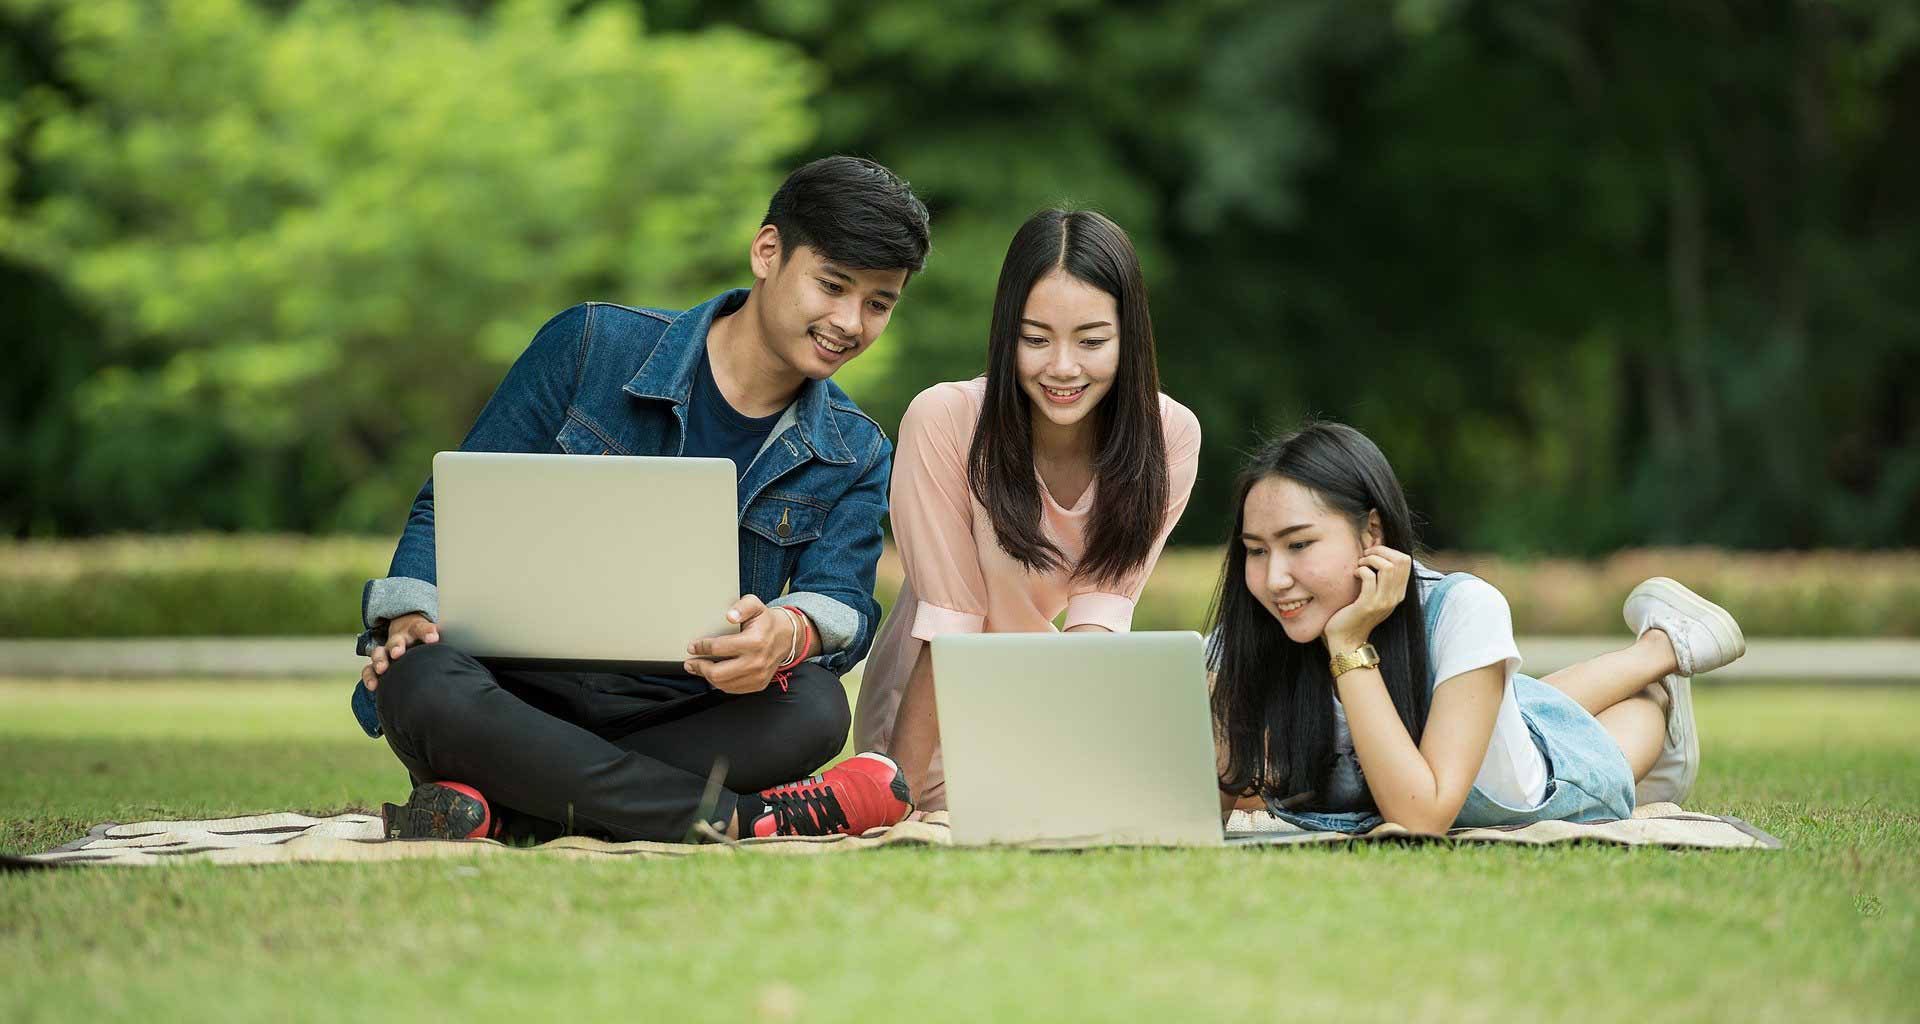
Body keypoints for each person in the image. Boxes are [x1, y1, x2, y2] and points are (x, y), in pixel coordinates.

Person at [352, 157, 927, 843]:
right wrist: (413, 611)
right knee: (418, 680)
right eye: (832, 286)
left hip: (685, 707)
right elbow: (448, 506)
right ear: (767, 251)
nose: (849, 321)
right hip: (508, 692)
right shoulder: (589, 344)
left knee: (814, 708)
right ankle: (742, 819)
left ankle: (508, 809)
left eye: (878, 303)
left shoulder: (856, 449)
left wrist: (788, 634)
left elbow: (841, 600)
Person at [1209, 421, 1747, 834]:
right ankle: (1659, 645)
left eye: (1299, 544)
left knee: (1624, 717)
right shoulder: (1256, 630)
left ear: (1371, 532)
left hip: (1540, 777)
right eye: (1256, 551)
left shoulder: (1464, 608)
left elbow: (1421, 818)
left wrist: (1348, 645)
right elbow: (1210, 800)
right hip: (1488, 714)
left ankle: (1659, 664)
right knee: (1518, 701)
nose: (1275, 578)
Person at [854, 208, 1203, 811]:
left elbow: (1098, 623)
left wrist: (1073, 760)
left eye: (1092, 341)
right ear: (1005, 334)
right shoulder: (945, 421)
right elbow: (949, 627)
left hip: (1054, 692)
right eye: (1035, 339)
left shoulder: (1168, 435)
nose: (1062, 368)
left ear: (1130, 336)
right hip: (928, 713)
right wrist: (897, 802)